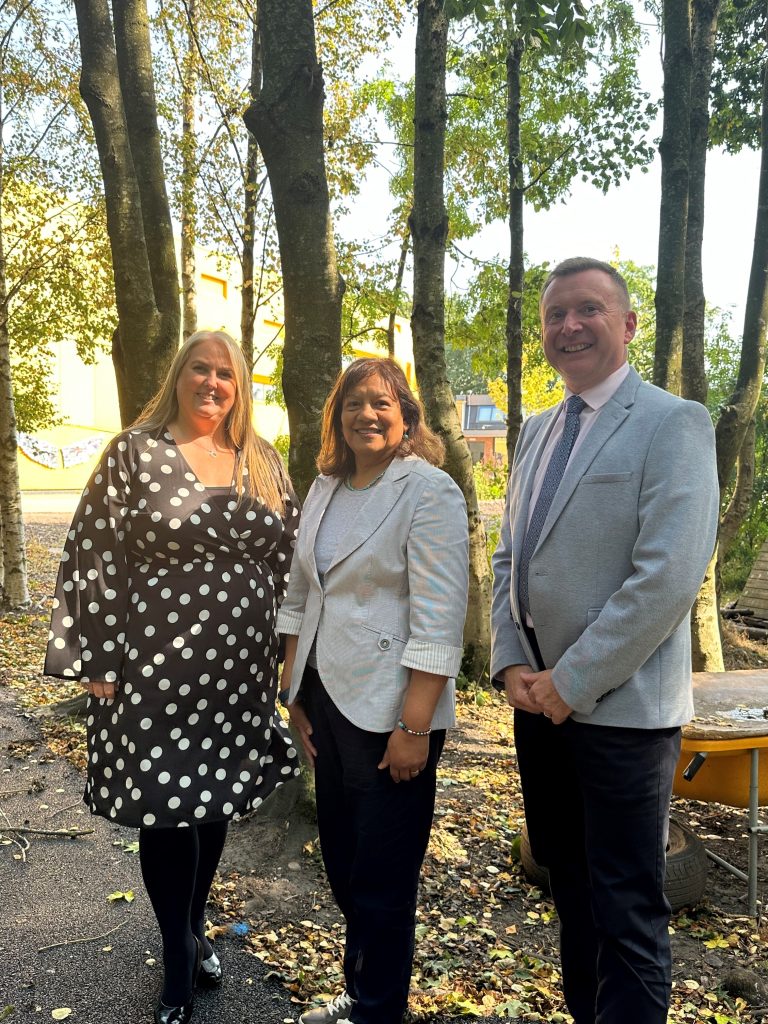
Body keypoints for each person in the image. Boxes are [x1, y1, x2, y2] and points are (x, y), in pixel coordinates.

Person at [44, 330, 301, 1024]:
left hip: (238, 666)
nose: (212, 382)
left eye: (226, 373)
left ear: (240, 384)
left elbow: (290, 560)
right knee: (164, 802)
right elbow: (93, 551)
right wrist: (95, 656)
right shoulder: (134, 453)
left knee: (211, 799)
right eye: (200, 368)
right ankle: (177, 953)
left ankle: (193, 923)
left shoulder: (261, 460)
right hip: (153, 661)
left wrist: (288, 652)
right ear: (178, 376)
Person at [491, 258, 719, 1024]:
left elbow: (666, 579)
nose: (569, 326)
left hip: (621, 715)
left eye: (588, 310)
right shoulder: (533, 430)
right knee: (572, 892)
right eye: (556, 314)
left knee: (626, 912)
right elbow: (507, 557)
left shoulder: (672, 422)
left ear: (626, 325)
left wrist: (570, 679)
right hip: (538, 708)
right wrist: (513, 662)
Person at [277, 358, 469, 1024]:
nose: (367, 414)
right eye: (354, 403)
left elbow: (441, 614)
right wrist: (292, 688)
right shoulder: (325, 488)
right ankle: (362, 993)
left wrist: (415, 726)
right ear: (338, 416)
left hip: (391, 708)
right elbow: (302, 593)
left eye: (382, 404)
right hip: (326, 700)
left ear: (407, 416)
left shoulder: (428, 490)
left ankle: (378, 1009)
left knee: (383, 880)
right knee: (341, 861)